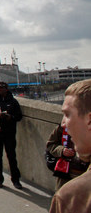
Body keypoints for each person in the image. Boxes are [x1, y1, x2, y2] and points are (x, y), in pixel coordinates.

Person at [49, 79, 91, 213]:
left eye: (67, 114)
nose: (63, 123)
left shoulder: (70, 199)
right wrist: (62, 151)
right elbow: (51, 145)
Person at [46, 123, 89, 191]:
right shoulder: (63, 126)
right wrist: (61, 150)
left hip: (85, 177)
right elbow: (50, 144)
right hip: (65, 175)